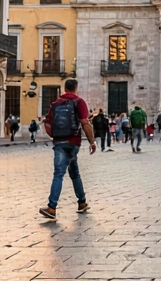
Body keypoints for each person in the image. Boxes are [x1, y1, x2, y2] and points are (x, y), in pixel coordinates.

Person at [38, 78, 96, 219]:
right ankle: (81, 202)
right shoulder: (79, 102)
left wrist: (56, 136)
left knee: (58, 174)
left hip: (59, 142)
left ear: (65, 88)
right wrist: (92, 142)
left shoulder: (55, 104)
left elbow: (48, 125)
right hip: (73, 141)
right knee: (74, 172)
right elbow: (85, 123)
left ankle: (52, 207)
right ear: (76, 88)